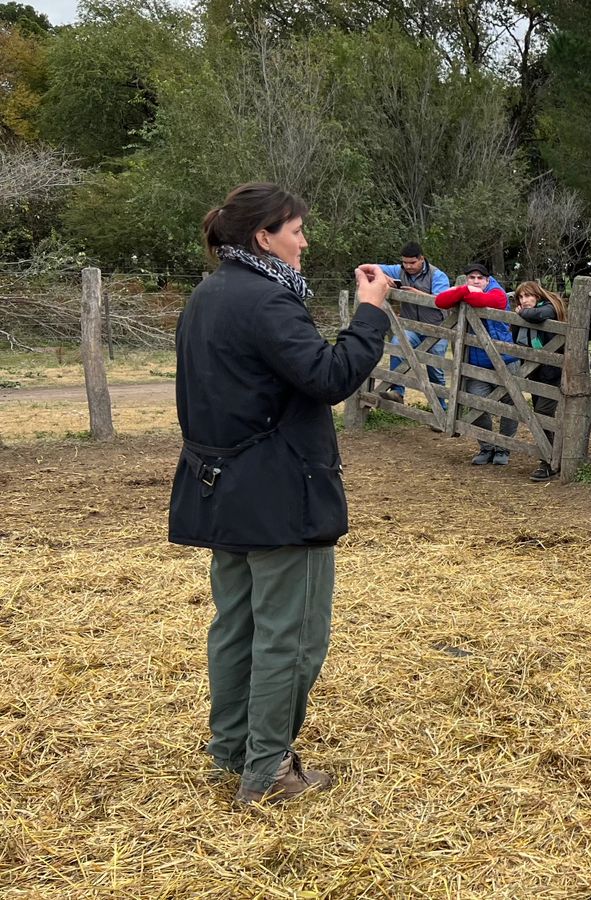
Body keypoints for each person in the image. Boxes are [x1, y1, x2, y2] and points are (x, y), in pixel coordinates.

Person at [169, 182, 390, 806]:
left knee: (236, 626)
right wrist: (370, 312)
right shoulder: (268, 301)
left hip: (223, 491)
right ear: (263, 237)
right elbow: (330, 377)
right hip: (278, 497)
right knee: (291, 636)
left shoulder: (207, 296)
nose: (305, 240)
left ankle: (233, 750)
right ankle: (266, 770)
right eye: (296, 230)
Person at [435, 262, 517, 465]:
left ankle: (504, 449)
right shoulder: (467, 289)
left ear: (488, 280)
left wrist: (463, 293)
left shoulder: (498, 293)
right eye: (472, 278)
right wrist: (464, 289)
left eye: (480, 278)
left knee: (510, 406)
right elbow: (440, 301)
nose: (476, 281)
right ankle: (487, 447)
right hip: (476, 362)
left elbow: (487, 300)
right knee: (476, 405)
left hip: (504, 360)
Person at [373, 242, 451, 408]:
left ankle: (441, 409)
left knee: (435, 369)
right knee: (398, 345)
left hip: (436, 329)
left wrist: (414, 294)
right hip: (411, 327)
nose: (408, 266)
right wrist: (383, 276)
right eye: (405, 262)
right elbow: (367, 267)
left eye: (412, 263)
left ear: (421, 259)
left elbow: (441, 301)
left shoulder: (438, 275)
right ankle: (398, 392)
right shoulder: (399, 270)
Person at [513, 280, 567, 482]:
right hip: (535, 372)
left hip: (553, 372)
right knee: (540, 413)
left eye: (529, 296)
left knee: (544, 413)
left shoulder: (549, 308)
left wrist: (521, 313)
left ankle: (550, 461)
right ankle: (551, 457)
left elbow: (538, 315)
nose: (525, 301)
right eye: (521, 297)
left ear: (539, 296)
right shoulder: (530, 315)